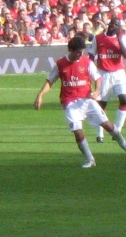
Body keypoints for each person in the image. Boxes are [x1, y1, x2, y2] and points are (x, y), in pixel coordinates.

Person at [34, 35, 126, 168]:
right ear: (70, 50)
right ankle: (90, 159)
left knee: (108, 126)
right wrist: (40, 95)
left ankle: (123, 144)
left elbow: (98, 78)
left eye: (82, 51)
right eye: (78, 52)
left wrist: (97, 91)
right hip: (70, 103)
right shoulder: (60, 64)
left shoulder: (87, 63)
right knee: (78, 131)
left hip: (87, 100)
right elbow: (50, 81)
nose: (80, 54)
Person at [90, 18, 126, 143]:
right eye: (113, 24)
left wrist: (120, 38)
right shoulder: (98, 38)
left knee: (124, 99)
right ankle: (100, 134)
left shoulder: (122, 37)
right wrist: (92, 72)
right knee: (102, 104)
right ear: (109, 24)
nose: (114, 26)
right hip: (103, 73)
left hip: (119, 73)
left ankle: (117, 130)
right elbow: (90, 55)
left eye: (117, 25)